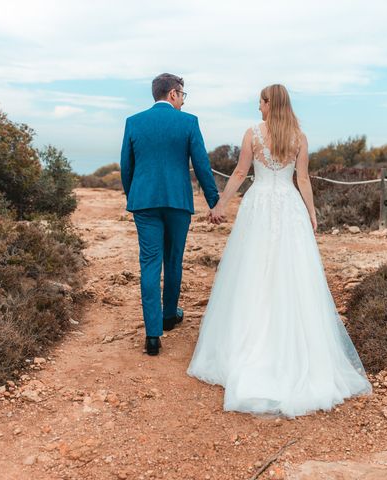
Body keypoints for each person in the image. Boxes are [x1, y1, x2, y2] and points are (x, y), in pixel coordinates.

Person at [187, 84, 372, 417]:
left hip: (259, 206)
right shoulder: (299, 136)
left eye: (260, 101)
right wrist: (312, 213)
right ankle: (292, 347)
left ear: (270, 103)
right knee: (292, 271)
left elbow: (242, 172)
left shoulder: (253, 134)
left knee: (253, 270)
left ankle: (248, 344)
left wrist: (220, 205)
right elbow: (302, 180)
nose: (258, 106)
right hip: (288, 207)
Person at [120, 73, 224, 356]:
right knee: (173, 259)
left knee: (150, 263)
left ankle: (153, 336)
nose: (183, 101)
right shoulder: (188, 122)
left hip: (145, 203)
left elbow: (126, 168)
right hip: (178, 202)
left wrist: (135, 197)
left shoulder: (134, 122)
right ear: (173, 94)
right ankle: (168, 316)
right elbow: (202, 164)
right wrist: (213, 201)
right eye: (183, 95)